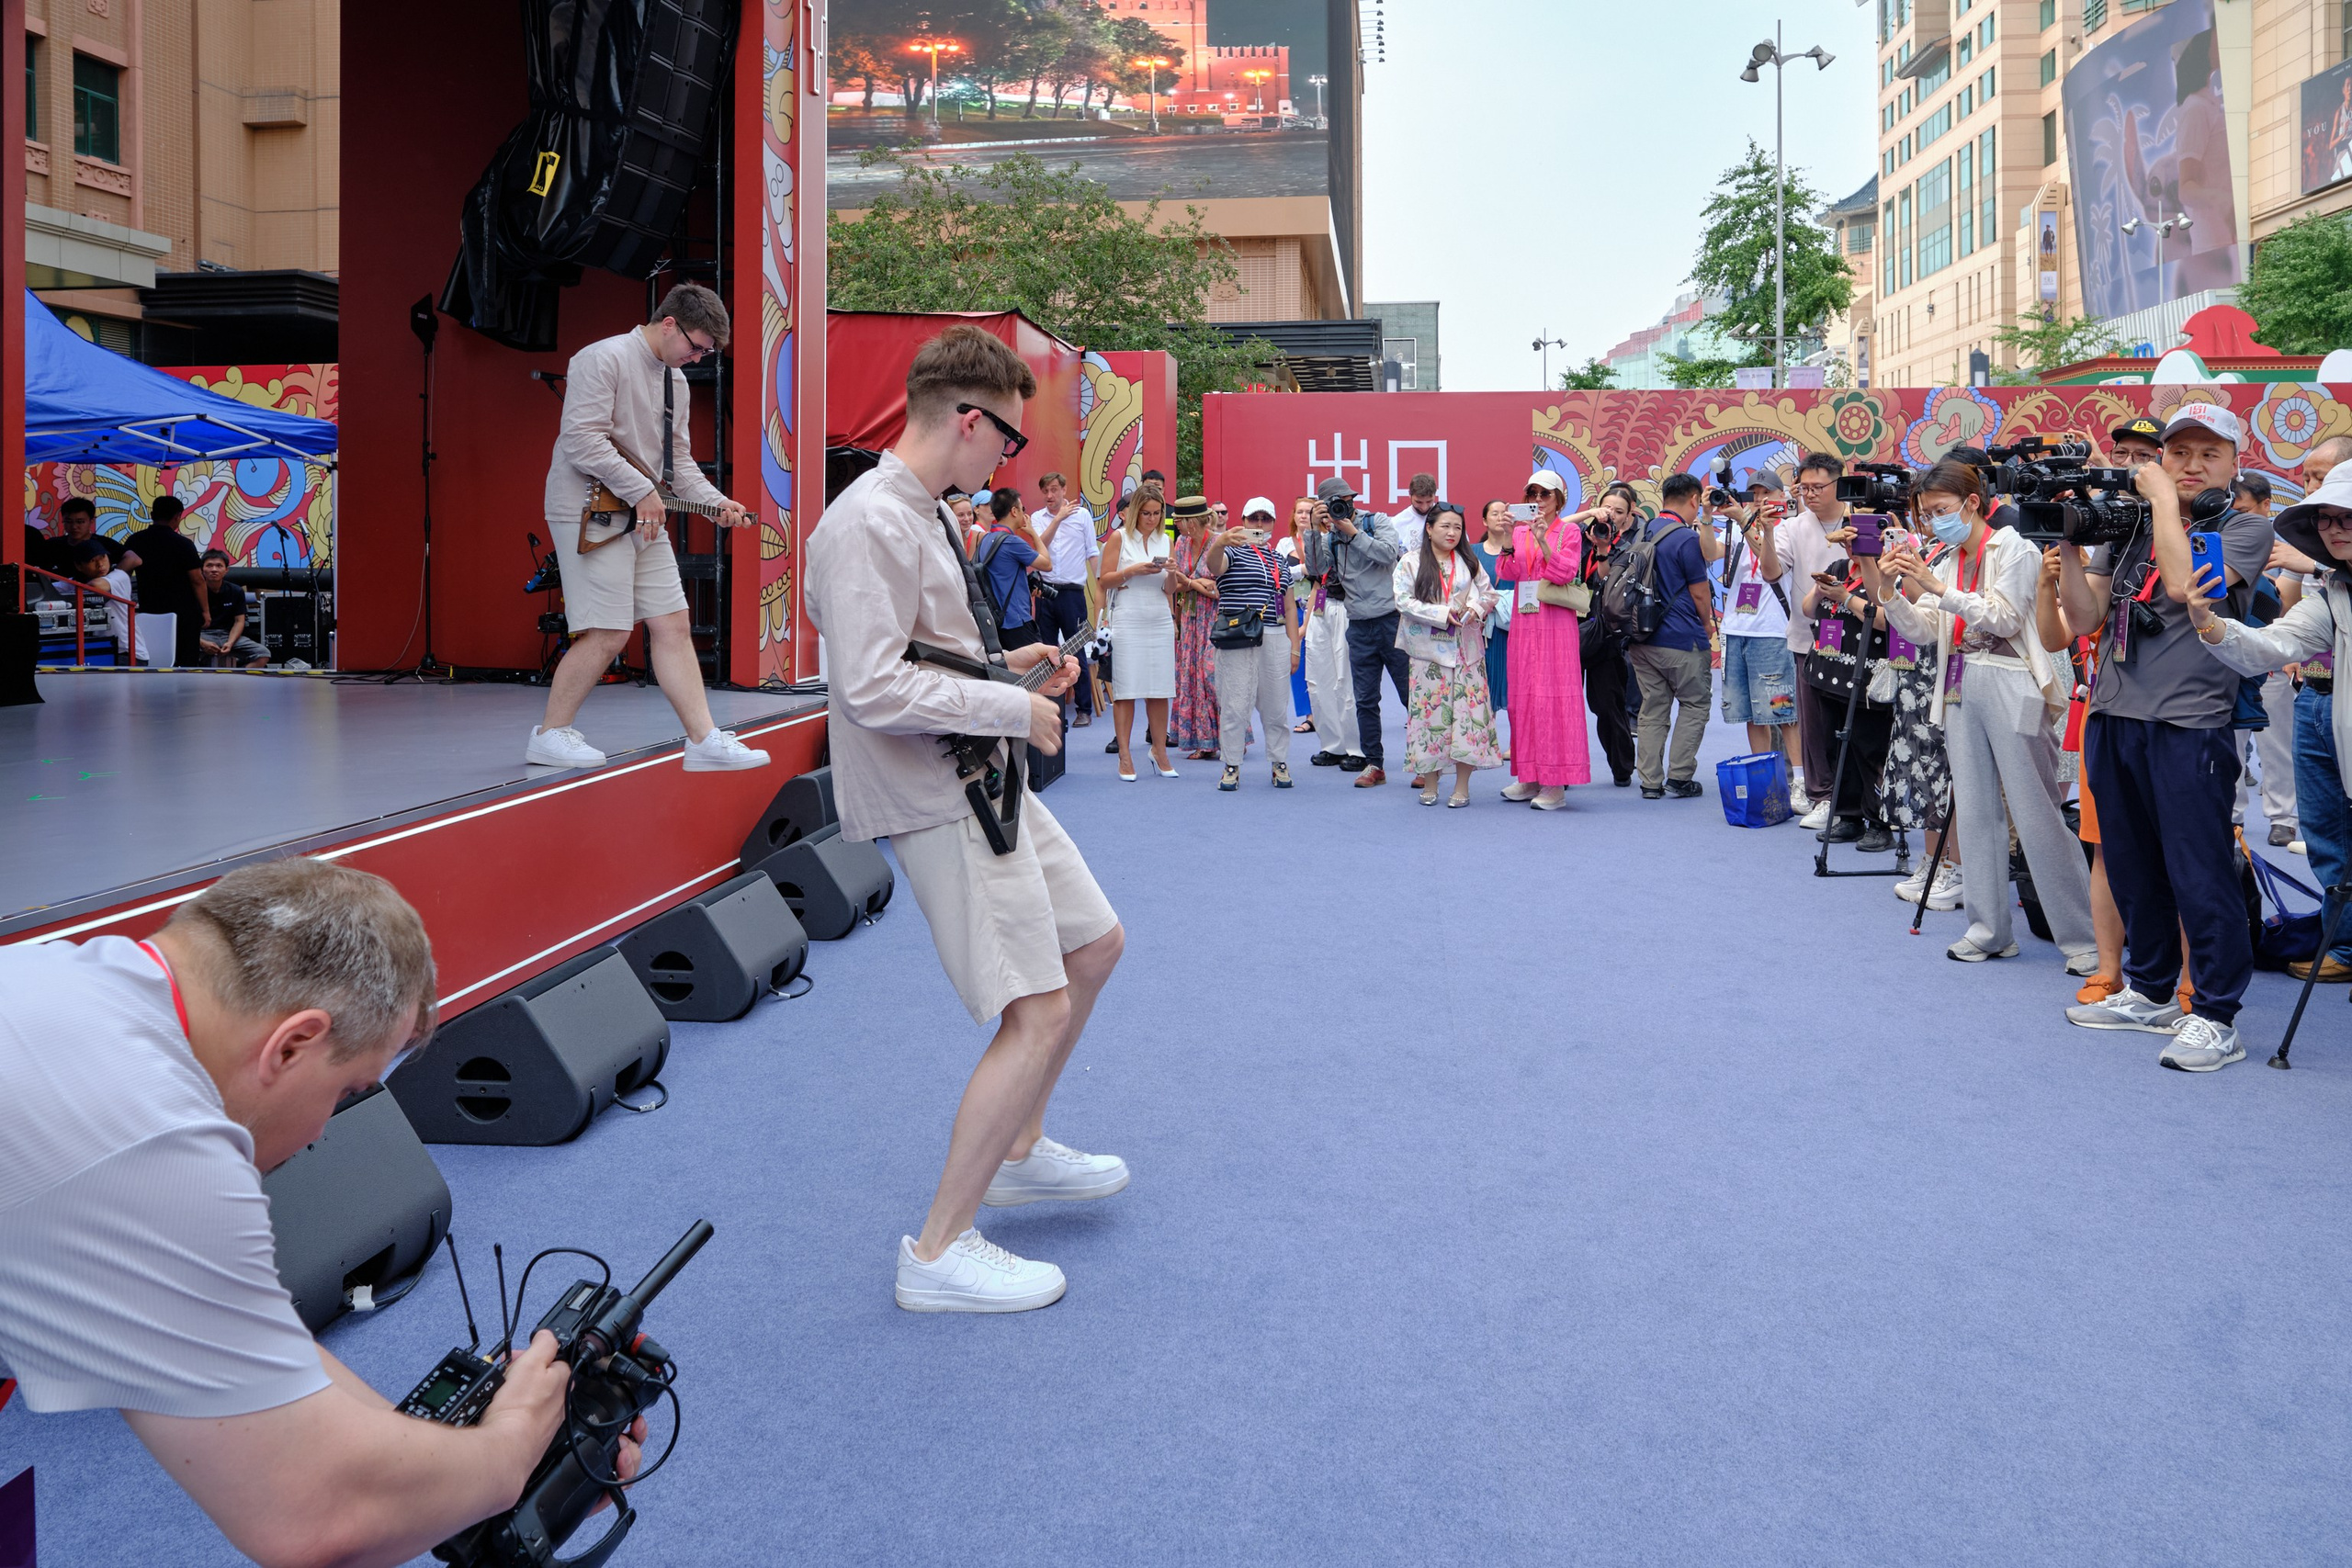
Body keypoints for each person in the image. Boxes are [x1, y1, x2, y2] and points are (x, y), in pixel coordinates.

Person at [0, 860, 637, 1568]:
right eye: (347, 1090)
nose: (322, 1131)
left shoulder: (70, 984)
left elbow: (249, 1339)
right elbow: (313, 1514)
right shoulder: (150, 1145)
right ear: (293, 1043)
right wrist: (512, 1447)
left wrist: (450, 1460)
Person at [805, 322, 1126, 1312]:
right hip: (940, 793)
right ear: (971, 420)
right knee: (1037, 1009)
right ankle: (938, 1250)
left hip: (980, 776)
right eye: (1012, 439)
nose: (1011, 462)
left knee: (1093, 945)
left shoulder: (921, 512)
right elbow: (868, 687)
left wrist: (1006, 669)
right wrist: (1009, 707)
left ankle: (1019, 1149)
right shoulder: (869, 520)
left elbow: (920, 651)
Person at [2056, 405, 2275, 1069]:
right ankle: (2150, 990)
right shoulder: (2128, 527)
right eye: (2179, 453)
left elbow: (2182, 587)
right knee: (2131, 864)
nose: (2191, 465)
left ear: (2234, 463)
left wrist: (2160, 505)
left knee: (2198, 869)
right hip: (2113, 713)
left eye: (2210, 454)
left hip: (2191, 723)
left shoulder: (2244, 527)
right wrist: (2068, 548)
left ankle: (2216, 1014)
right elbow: (2084, 618)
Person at [526, 283, 767, 773]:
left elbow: (678, 461)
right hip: (587, 510)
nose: (697, 359)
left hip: (642, 512)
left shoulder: (675, 379)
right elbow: (581, 441)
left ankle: (704, 740)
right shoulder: (603, 358)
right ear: (669, 324)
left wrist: (715, 503)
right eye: (696, 347)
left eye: (705, 353)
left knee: (672, 624)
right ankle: (549, 735)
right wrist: (641, 491)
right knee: (608, 632)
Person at [1879, 459, 2096, 967]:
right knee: (1975, 812)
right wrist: (1890, 592)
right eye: (1927, 514)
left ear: (1972, 502)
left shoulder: (2015, 547)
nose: (1934, 521)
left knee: (2036, 812)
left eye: (1941, 510)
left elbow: (2005, 617)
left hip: (2012, 680)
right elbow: (1921, 630)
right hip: (1959, 681)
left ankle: (2083, 938)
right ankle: (1989, 930)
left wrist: (1937, 588)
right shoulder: (1947, 559)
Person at [2188, 458, 2352, 984]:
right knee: (2327, 837)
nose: (2334, 528)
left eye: (2346, 517)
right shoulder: (2333, 590)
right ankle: (2344, 944)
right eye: (2325, 518)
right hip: (2318, 703)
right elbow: (2275, 643)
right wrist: (2207, 622)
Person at [1490, 470, 1592, 810]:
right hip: (1524, 622)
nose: (1538, 500)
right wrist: (1508, 538)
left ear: (1559, 499)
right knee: (1523, 699)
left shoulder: (1569, 531)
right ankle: (1530, 776)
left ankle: (1555, 784)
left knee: (1554, 699)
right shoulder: (1519, 531)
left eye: (1545, 494)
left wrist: (1543, 541)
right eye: (1532, 493)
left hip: (1556, 622)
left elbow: (1566, 573)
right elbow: (1508, 573)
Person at [1299, 477, 1409, 789]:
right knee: (1365, 700)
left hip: (1391, 621)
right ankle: (1374, 764)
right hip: (1358, 625)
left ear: (1352, 499)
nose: (1342, 507)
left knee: (1410, 695)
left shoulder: (1376, 522)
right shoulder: (1330, 536)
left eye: (1346, 501)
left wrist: (1354, 533)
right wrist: (1313, 530)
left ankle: (1423, 762)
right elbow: (1317, 569)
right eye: (1335, 503)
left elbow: (1388, 554)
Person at [1394, 502, 1503, 807]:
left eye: (1457, 527)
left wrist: (1475, 608)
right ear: (1429, 529)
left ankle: (1462, 786)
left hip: (1467, 652)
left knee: (1469, 717)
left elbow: (1490, 593)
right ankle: (1430, 782)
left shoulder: (1469, 561)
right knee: (1428, 717)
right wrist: (1442, 614)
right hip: (1427, 654)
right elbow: (1403, 601)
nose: (1452, 532)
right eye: (1445, 526)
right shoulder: (1411, 562)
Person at [1626, 473, 1717, 800]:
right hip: (1681, 638)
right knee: (1694, 703)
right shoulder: (1686, 539)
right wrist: (1707, 625)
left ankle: (1650, 782)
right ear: (1694, 499)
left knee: (1652, 708)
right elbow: (1700, 594)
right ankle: (1679, 777)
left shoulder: (1642, 531)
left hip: (1641, 638)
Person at [1201, 498, 1300, 791]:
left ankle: (1279, 762)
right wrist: (1220, 542)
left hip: (1274, 635)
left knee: (1276, 707)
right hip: (1238, 636)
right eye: (1253, 518)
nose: (1259, 524)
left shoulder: (1279, 559)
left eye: (1265, 518)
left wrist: (1294, 647)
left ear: (1273, 523)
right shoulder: (1231, 550)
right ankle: (1231, 764)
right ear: (1243, 520)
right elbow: (1214, 565)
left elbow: (1289, 607)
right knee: (1234, 705)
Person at [1783, 454, 1860, 829]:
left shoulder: (1862, 518)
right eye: (1804, 487)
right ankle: (1823, 796)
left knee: (1860, 723)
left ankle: (1864, 802)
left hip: (1862, 641)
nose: (1809, 493)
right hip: (1810, 638)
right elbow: (1771, 571)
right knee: (1815, 724)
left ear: (1838, 485)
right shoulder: (1793, 527)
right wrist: (1761, 532)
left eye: (1817, 487)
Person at [2226, 471, 2299, 846]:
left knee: (2276, 742)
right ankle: (2232, 815)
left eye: (2242, 509)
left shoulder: (2287, 546)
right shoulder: (2217, 536)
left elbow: (2288, 602)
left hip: (2272, 655)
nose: (2234, 515)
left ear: (2266, 505)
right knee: (2230, 743)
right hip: (2227, 656)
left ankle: (2283, 816)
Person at [1718, 483, 1799, 775]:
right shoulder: (1737, 529)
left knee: (1783, 710)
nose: (1760, 499)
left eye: (1767, 493)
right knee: (1753, 713)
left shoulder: (1790, 528)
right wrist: (1707, 516)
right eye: (1755, 494)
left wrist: (1745, 520)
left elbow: (1769, 563)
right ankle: (1765, 777)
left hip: (1772, 631)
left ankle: (1799, 779)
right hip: (1737, 628)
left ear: (1782, 496)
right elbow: (1709, 552)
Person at [1100, 490, 1178, 781]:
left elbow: (1169, 589)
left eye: (1157, 513)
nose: (1152, 518)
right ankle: (1125, 755)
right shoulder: (1119, 537)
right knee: (1126, 690)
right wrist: (1131, 571)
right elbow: (1105, 580)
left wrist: (1172, 572)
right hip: (1128, 616)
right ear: (1134, 512)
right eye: (1146, 513)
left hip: (1159, 617)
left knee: (1160, 689)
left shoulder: (1166, 540)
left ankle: (1160, 751)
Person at [1578, 483, 1643, 787]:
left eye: (1619, 511)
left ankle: (1622, 766)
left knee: (1607, 705)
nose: (1611, 516)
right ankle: (1559, 770)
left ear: (1630, 516)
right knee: (1562, 704)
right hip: (1567, 626)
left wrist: (1603, 551)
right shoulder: (1576, 537)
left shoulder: (1630, 548)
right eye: (1607, 509)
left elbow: (1608, 584)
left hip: (1605, 633)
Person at [1295, 493, 1365, 769]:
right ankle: (1332, 744)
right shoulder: (1317, 539)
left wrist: (1340, 527)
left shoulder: (1354, 534)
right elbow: (1315, 576)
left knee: (1345, 680)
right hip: (1321, 608)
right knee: (1317, 678)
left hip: (1347, 609)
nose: (1328, 517)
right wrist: (1314, 528)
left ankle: (1356, 747)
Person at [1030, 472, 1101, 727]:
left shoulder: (1082, 516)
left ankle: (1084, 709)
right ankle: (1051, 708)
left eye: (1054, 490)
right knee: (1047, 650)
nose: (1050, 496)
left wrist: (1101, 583)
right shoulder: (1037, 518)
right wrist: (1058, 518)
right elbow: (1040, 548)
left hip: (1072, 592)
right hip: (1046, 591)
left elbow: (1092, 552)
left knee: (1075, 648)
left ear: (1063, 490)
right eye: (1045, 491)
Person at [1166, 495, 1224, 760]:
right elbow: (1174, 584)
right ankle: (1203, 741)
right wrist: (1198, 584)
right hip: (1189, 617)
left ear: (1191, 522)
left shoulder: (1217, 543)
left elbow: (1219, 590)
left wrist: (1190, 582)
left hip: (1214, 617)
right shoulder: (1181, 543)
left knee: (1211, 674)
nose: (1176, 524)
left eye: (1179, 520)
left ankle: (1229, 736)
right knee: (1190, 675)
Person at [125, 494, 209, 669]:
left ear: (152, 514)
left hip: (150, 609)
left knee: (153, 657)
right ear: (177, 516)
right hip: (184, 612)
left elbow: (124, 574)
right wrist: (205, 611)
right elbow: (197, 580)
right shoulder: (184, 544)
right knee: (186, 661)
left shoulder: (134, 541)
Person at [973, 488, 1050, 649]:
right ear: (1014, 511)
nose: (1024, 514)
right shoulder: (1012, 542)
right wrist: (1032, 533)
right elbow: (1047, 564)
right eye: (1023, 509)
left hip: (996, 622)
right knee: (1039, 664)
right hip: (1017, 621)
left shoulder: (985, 540)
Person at [1468, 499, 1514, 757]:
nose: (1499, 517)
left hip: (1513, 628)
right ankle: (1486, 741)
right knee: (1482, 685)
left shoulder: (1518, 548)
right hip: (1481, 628)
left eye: (1503, 513)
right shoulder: (1472, 552)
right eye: (1494, 514)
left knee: (1515, 685)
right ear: (1484, 521)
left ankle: (1517, 744)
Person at [198, 549, 270, 668]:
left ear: (226, 570)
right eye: (209, 566)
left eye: (219, 566)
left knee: (263, 654)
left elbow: (239, 621)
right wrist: (203, 643)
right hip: (202, 635)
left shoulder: (236, 591)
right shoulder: (193, 592)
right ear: (202, 569)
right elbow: (185, 624)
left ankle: (239, 677)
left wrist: (230, 643)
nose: (214, 569)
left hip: (228, 635)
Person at [41, 494, 139, 578]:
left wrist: (110, 580)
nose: (74, 527)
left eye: (80, 522)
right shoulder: (52, 545)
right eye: (69, 522)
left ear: (91, 521)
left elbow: (134, 559)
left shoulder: (104, 543)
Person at [1392, 470, 1442, 554]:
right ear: (1410, 495)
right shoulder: (1396, 523)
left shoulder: (1445, 517)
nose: (1424, 507)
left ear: (1435, 495)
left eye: (1429, 501)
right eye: (1419, 502)